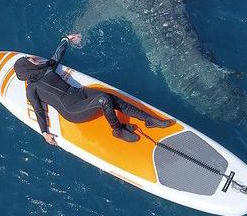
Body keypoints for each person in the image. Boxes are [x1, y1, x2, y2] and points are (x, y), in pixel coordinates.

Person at [13, 34, 172, 144]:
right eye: (29, 59)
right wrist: (44, 133)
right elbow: (38, 110)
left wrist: (66, 39)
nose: (32, 58)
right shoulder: (31, 89)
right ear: (27, 67)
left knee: (111, 97)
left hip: (79, 93)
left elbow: (57, 55)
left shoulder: (46, 68)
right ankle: (117, 130)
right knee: (104, 100)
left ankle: (149, 120)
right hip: (72, 110)